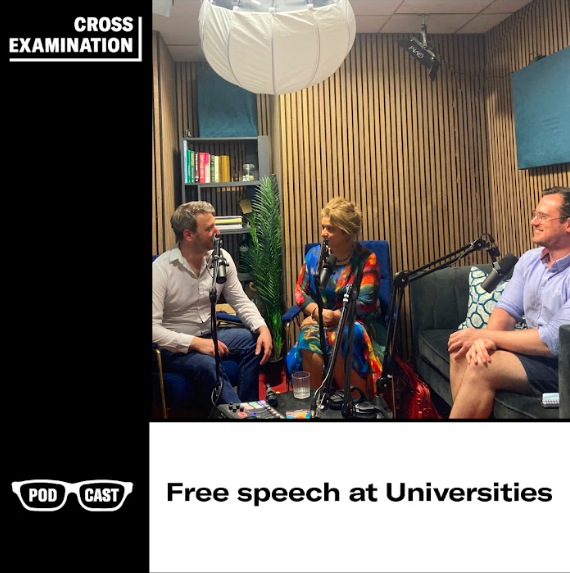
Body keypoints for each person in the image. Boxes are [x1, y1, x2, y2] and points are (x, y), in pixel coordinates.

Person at [448, 186, 570, 418]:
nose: (534, 221)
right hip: (534, 356)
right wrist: (483, 341)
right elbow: (507, 310)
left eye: (543, 216)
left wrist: (484, 336)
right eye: (535, 215)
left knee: (482, 366)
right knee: (461, 351)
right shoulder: (530, 260)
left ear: (568, 224)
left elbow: (552, 341)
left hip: (563, 364)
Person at [153, 201, 273, 412]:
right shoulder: (161, 270)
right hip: (174, 348)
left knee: (255, 341)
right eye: (209, 228)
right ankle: (239, 418)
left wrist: (262, 327)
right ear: (188, 235)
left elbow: (240, 301)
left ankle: (250, 408)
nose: (217, 232)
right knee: (208, 364)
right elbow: (153, 330)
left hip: (211, 335)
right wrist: (195, 343)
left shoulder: (222, 259)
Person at [286, 197, 386, 399]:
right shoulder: (314, 256)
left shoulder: (367, 260)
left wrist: (335, 317)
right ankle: (317, 403)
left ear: (346, 232)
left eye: (330, 229)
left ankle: (357, 402)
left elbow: (365, 304)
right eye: (323, 227)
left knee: (340, 336)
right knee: (308, 335)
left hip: (357, 321)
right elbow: (300, 292)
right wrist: (318, 313)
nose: (323, 233)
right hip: (321, 318)